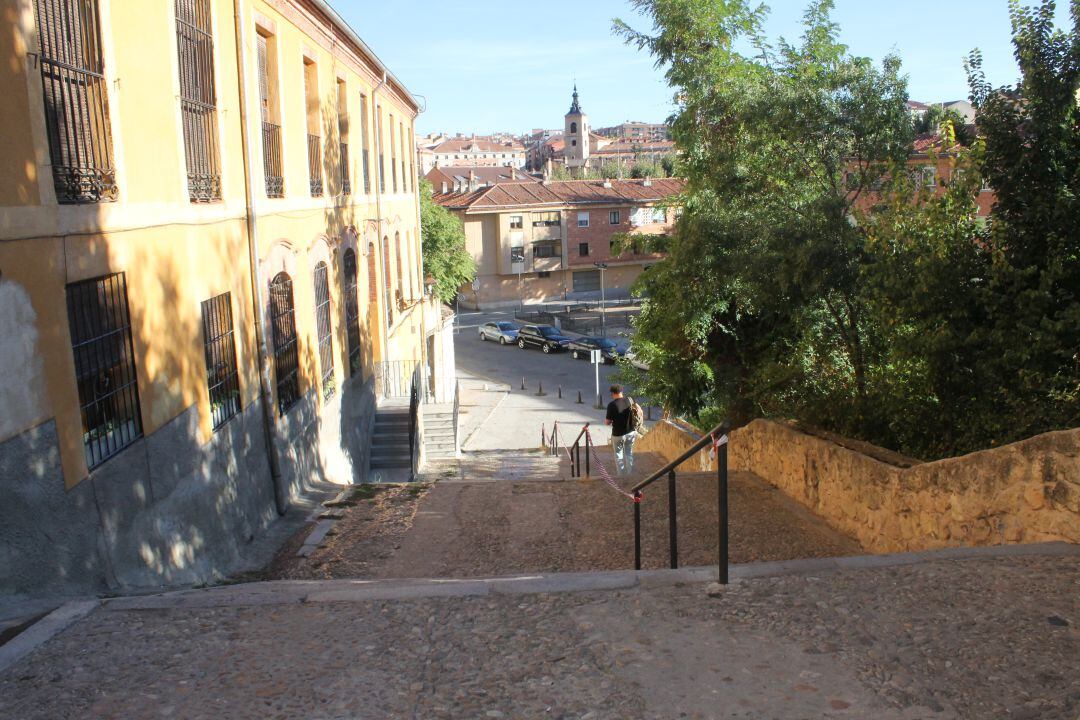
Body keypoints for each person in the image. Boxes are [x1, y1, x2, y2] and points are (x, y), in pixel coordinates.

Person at [605, 384, 636, 476]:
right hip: (631, 432)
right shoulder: (630, 400)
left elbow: (607, 422)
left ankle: (621, 476)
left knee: (619, 456)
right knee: (629, 453)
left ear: (613, 393)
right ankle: (631, 474)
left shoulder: (612, 405)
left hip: (618, 434)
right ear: (622, 392)